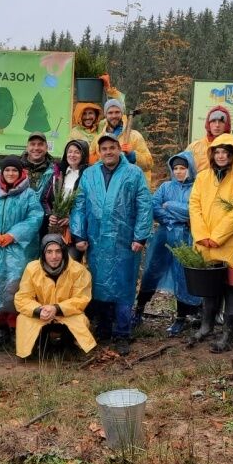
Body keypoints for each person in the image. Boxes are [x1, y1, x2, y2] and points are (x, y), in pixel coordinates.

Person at [70, 133, 153, 355]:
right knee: (99, 284)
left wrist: (140, 236)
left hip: (124, 241)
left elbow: (144, 205)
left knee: (124, 286)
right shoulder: (89, 174)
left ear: (119, 149)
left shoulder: (134, 173)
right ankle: (104, 328)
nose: (108, 152)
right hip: (96, 240)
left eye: (112, 148)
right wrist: (79, 235)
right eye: (104, 148)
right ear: (99, 151)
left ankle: (123, 333)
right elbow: (79, 204)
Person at [188, 134, 233, 352]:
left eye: (226, 152)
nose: (221, 156)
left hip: (230, 243)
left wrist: (218, 236)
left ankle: (228, 333)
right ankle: (207, 326)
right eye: (217, 152)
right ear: (212, 154)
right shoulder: (202, 177)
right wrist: (202, 234)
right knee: (209, 287)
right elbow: (194, 206)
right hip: (205, 242)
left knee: (230, 289)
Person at [0, 156, 44, 347]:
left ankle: (16, 329)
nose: (11, 174)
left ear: (21, 173)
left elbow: (35, 217)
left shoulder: (28, 194)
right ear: (2, 172)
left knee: (15, 287)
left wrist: (13, 235)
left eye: (14, 170)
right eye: (7, 170)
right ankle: (1, 331)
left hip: (18, 251)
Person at [136, 151, 201, 336]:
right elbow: (154, 207)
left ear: (190, 168)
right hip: (164, 236)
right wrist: (173, 218)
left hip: (186, 238)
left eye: (183, 168)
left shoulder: (196, 188)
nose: (179, 172)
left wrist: (171, 206)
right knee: (151, 271)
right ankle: (139, 309)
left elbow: (193, 212)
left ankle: (180, 318)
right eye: (175, 168)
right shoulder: (165, 187)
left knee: (182, 276)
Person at [14, 234, 97, 359]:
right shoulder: (32, 269)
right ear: (43, 253)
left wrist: (56, 308)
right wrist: (38, 310)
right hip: (42, 314)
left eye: (58, 251)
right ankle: (36, 347)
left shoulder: (78, 270)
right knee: (23, 318)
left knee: (80, 319)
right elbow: (22, 298)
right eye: (49, 252)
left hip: (66, 313)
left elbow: (82, 298)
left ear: (64, 251)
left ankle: (69, 345)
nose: (54, 256)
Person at [40, 139, 89, 254]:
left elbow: (90, 204)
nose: (72, 155)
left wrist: (72, 219)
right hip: (55, 228)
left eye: (77, 152)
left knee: (70, 261)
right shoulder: (58, 173)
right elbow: (44, 199)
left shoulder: (88, 176)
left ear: (83, 155)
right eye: (70, 151)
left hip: (76, 232)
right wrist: (50, 214)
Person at [90, 98, 153, 186]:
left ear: (122, 113)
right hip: (107, 187)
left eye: (117, 112)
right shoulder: (98, 140)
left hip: (131, 186)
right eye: (110, 113)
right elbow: (91, 163)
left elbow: (149, 164)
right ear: (105, 115)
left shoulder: (135, 136)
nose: (114, 116)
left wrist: (133, 155)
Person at [187, 105, 232, 173]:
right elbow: (181, 167)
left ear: (226, 125)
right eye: (213, 121)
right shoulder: (195, 146)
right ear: (208, 124)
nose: (217, 125)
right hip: (198, 182)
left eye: (221, 121)